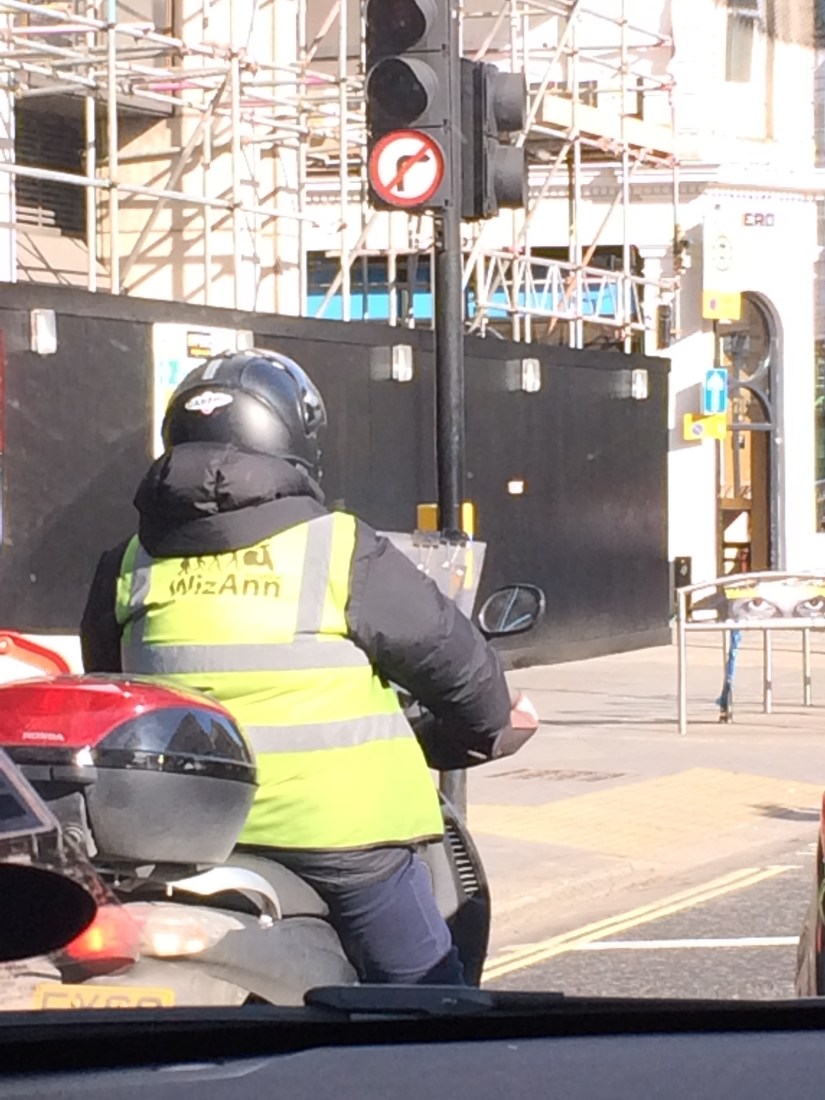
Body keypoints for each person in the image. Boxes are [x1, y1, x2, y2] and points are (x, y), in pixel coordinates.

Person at [79, 348, 538, 986]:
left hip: (175, 837)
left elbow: (115, 694)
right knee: (432, 1004)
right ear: (292, 440)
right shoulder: (339, 546)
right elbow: (460, 669)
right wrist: (484, 728)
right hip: (343, 841)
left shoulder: (126, 563)